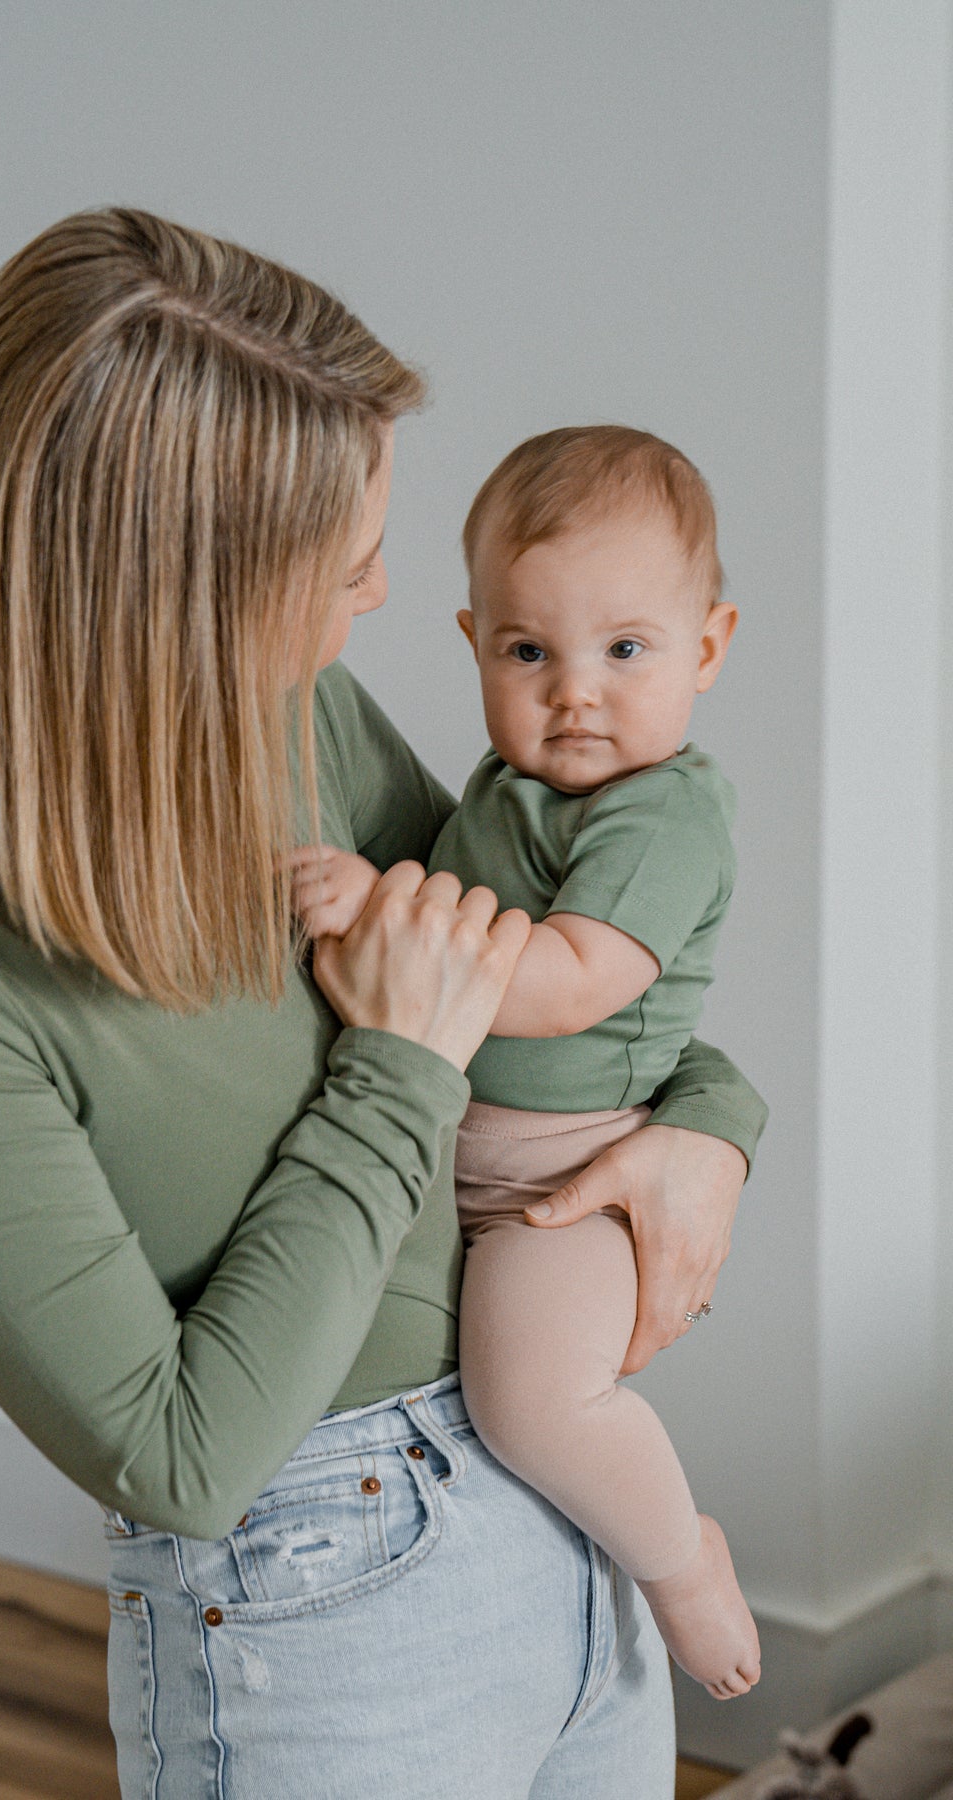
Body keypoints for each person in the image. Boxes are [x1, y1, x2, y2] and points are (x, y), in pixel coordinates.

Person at [0, 211, 767, 1798]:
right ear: (163, 599)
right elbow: (179, 1455)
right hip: (323, 1604)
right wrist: (393, 1066)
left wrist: (712, 1129)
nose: (373, 605)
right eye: (344, 565)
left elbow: (528, 972)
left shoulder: (276, 697)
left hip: (566, 1507)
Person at [293, 425, 762, 1704]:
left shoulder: (664, 814)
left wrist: (379, 906)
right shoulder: (508, 787)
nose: (576, 693)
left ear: (707, 647)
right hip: (466, 1167)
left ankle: (681, 1563)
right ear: (474, 644)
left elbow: (569, 984)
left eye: (626, 649)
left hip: (566, 1184)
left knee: (537, 1404)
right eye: (528, 652)